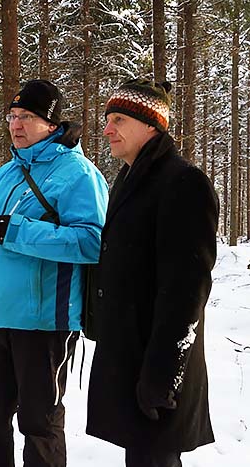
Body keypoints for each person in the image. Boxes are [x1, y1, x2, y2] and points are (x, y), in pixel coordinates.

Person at [0, 79, 108, 467]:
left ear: (51, 125)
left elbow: (92, 242)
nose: (16, 125)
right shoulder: (4, 174)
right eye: (12, 116)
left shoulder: (78, 174)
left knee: (40, 425)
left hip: (45, 324)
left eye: (27, 117)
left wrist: (18, 231)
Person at [86, 78, 219, 467]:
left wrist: (162, 374)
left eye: (119, 120)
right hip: (131, 356)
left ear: (151, 125)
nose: (107, 129)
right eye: (107, 119)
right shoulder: (128, 180)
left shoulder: (182, 183)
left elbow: (187, 290)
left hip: (158, 363)